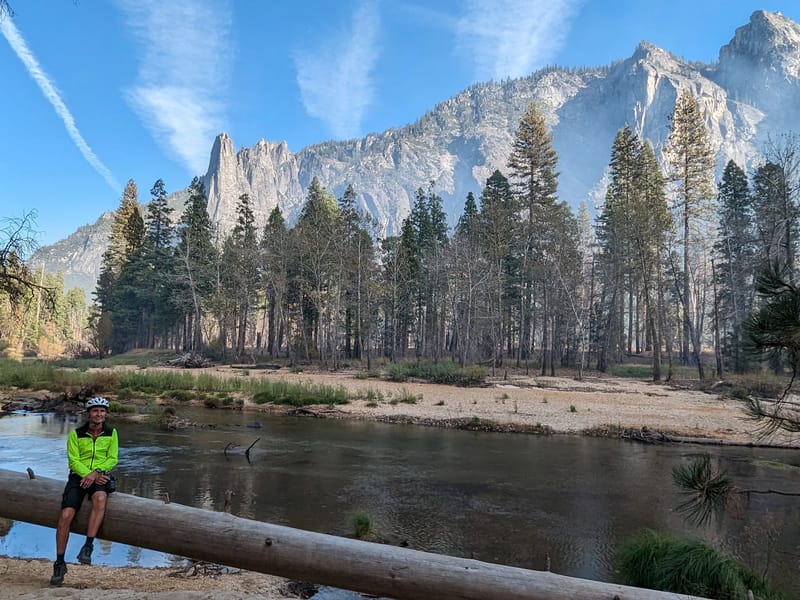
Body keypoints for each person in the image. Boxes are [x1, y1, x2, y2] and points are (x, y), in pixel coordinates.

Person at [50, 396, 118, 586]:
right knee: (65, 516)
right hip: (78, 476)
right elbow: (73, 460)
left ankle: (88, 546)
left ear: (106, 414)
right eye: (95, 411)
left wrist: (96, 473)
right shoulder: (76, 434)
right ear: (89, 414)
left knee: (100, 498)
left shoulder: (111, 433)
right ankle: (59, 562)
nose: (99, 414)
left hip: (99, 475)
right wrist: (87, 474)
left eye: (102, 411)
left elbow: (113, 458)